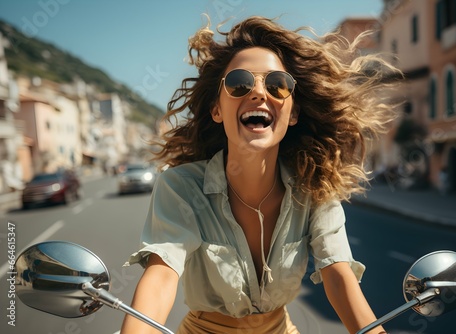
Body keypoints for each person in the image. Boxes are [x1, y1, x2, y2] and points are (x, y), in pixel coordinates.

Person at [121, 15, 399, 334]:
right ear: (217, 109)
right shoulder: (181, 186)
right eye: (239, 83)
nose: (258, 93)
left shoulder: (314, 188)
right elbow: (161, 279)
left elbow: (339, 278)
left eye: (277, 84)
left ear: (293, 112)